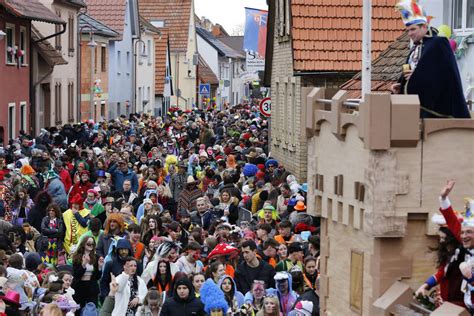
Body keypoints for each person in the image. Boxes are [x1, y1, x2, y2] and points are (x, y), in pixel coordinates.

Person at [392, 0, 470, 119]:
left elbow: (442, 77)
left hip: (436, 111)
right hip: (415, 110)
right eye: (408, 30)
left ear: (424, 26)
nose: (409, 34)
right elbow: (411, 76)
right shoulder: (414, 49)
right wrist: (400, 87)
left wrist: (417, 76)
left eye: (413, 29)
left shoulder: (439, 44)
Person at [71, 237, 102, 311]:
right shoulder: (77, 256)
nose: (91, 245)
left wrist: (100, 268)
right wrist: (83, 264)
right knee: (78, 309)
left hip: (91, 287)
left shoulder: (96, 257)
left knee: (91, 310)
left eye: (93, 244)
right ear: (83, 244)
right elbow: (76, 274)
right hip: (79, 286)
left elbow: (97, 277)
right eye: (88, 243)